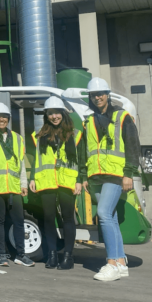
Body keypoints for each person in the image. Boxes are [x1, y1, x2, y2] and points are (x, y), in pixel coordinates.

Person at [83, 77, 141, 282]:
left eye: (100, 94)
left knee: (103, 213)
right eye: (93, 95)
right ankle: (121, 263)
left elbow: (133, 146)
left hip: (116, 174)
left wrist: (129, 173)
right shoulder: (88, 120)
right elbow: (84, 150)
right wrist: (84, 177)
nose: (97, 97)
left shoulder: (122, 117)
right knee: (112, 217)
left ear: (107, 95)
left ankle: (111, 263)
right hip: (95, 176)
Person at [29, 96, 86, 269]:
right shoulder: (39, 136)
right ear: (46, 115)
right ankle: (52, 254)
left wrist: (79, 180)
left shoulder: (76, 134)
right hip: (46, 181)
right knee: (48, 218)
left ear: (63, 113)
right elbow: (35, 160)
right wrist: (32, 177)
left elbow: (82, 160)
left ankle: (68, 256)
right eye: (50, 113)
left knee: (68, 218)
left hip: (67, 181)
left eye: (57, 113)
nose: (54, 116)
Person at [0, 102, 33, 267]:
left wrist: (23, 183)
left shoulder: (17, 138)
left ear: (8, 119)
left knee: (18, 220)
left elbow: (21, 164)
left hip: (14, 185)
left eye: (4, 117)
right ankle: (2, 254)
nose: (1, 119)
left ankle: (20, 255)